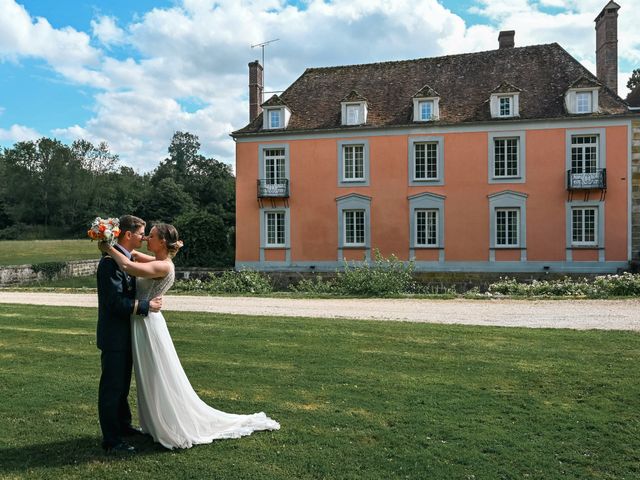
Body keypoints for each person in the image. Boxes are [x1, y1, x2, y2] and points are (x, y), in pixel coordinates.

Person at [99, 223, 280, 449]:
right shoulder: (156, 260)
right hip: (141, 323)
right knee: (146, 378)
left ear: (162, 242)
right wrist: (111, 237)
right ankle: (144, 424)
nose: (146, 238)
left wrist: (106, 245)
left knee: (158, 375)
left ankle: (168, 422)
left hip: (148, 325)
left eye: (151, 235)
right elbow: (131, 253)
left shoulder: (164, 266)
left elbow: (126, 264)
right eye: (144, 234)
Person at [96, 215, 163, 454]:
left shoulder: (124, 258)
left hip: (127, 335)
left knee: (122, 386)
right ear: (127, 235)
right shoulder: (109, 263)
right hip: (114, 337)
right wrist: (146, 307)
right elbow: (114, 303)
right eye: (140, 233)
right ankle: (112, 441)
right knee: (112, 388)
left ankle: (123, 426)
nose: (143, 237)